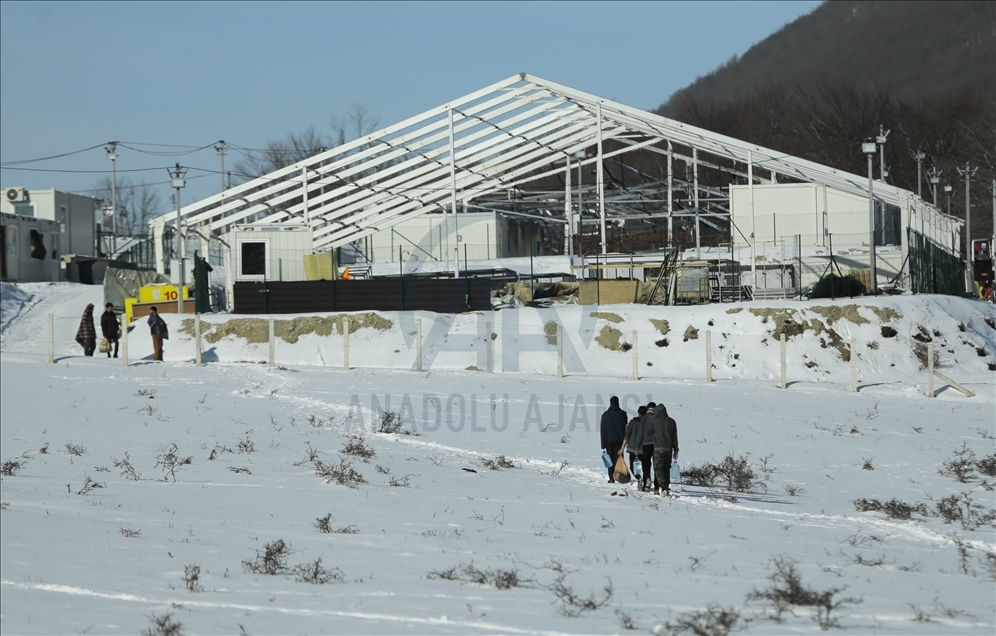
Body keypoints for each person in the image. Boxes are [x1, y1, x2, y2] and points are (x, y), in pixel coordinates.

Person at [651, 403, 679, 496]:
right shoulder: (672, 421)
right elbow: (675, 437)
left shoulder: (654, 421)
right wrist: (676, 450)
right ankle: (666, 487)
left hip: (658, 448)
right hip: (668, 449)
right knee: (666, 468)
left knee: (658, 468)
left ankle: (663, 487)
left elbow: (648, 432)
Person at [599, 395, 627, 483]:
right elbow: (626, 427)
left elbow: (602, 430)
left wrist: (603, 444)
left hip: (608, 441)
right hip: (620, 441)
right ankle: (619, 476)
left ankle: (611, 477)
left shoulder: (605, 415)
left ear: (610, 403)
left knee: (609, 459)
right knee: (619, 458)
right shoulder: (623, 414)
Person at [621, 406, 649, 490]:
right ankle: (645, 481)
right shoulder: (648, 423)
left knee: (633, 466)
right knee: (644, 466)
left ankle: (639, 478)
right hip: (644, 449)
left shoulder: (632, 422)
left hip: (633, 448)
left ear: (639, 413)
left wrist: (622, 448)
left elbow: (627, 436)